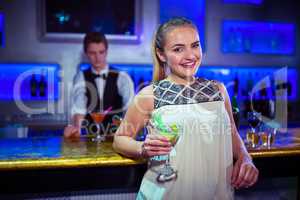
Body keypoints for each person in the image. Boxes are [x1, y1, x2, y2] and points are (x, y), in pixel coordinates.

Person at [113, 17, 258, 199]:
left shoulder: (218, 90)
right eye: (178, 49)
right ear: (161, 54)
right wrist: (142, 148)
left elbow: (232, 134)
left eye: (195, 45)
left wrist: (245, 157)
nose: (190, 55)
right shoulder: (150, 95)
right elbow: (120, 139)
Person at [64, 32, 134, 138]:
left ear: (106, 51)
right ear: (86, 53)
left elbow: (130, 107)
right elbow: (79, 106)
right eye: (92, 53)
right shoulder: (81, 76)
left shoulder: (122, 77)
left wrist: (126, 128)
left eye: (101, 52)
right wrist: (77, 128)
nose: (97, 57)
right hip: (90, 139)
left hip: (115, 138)